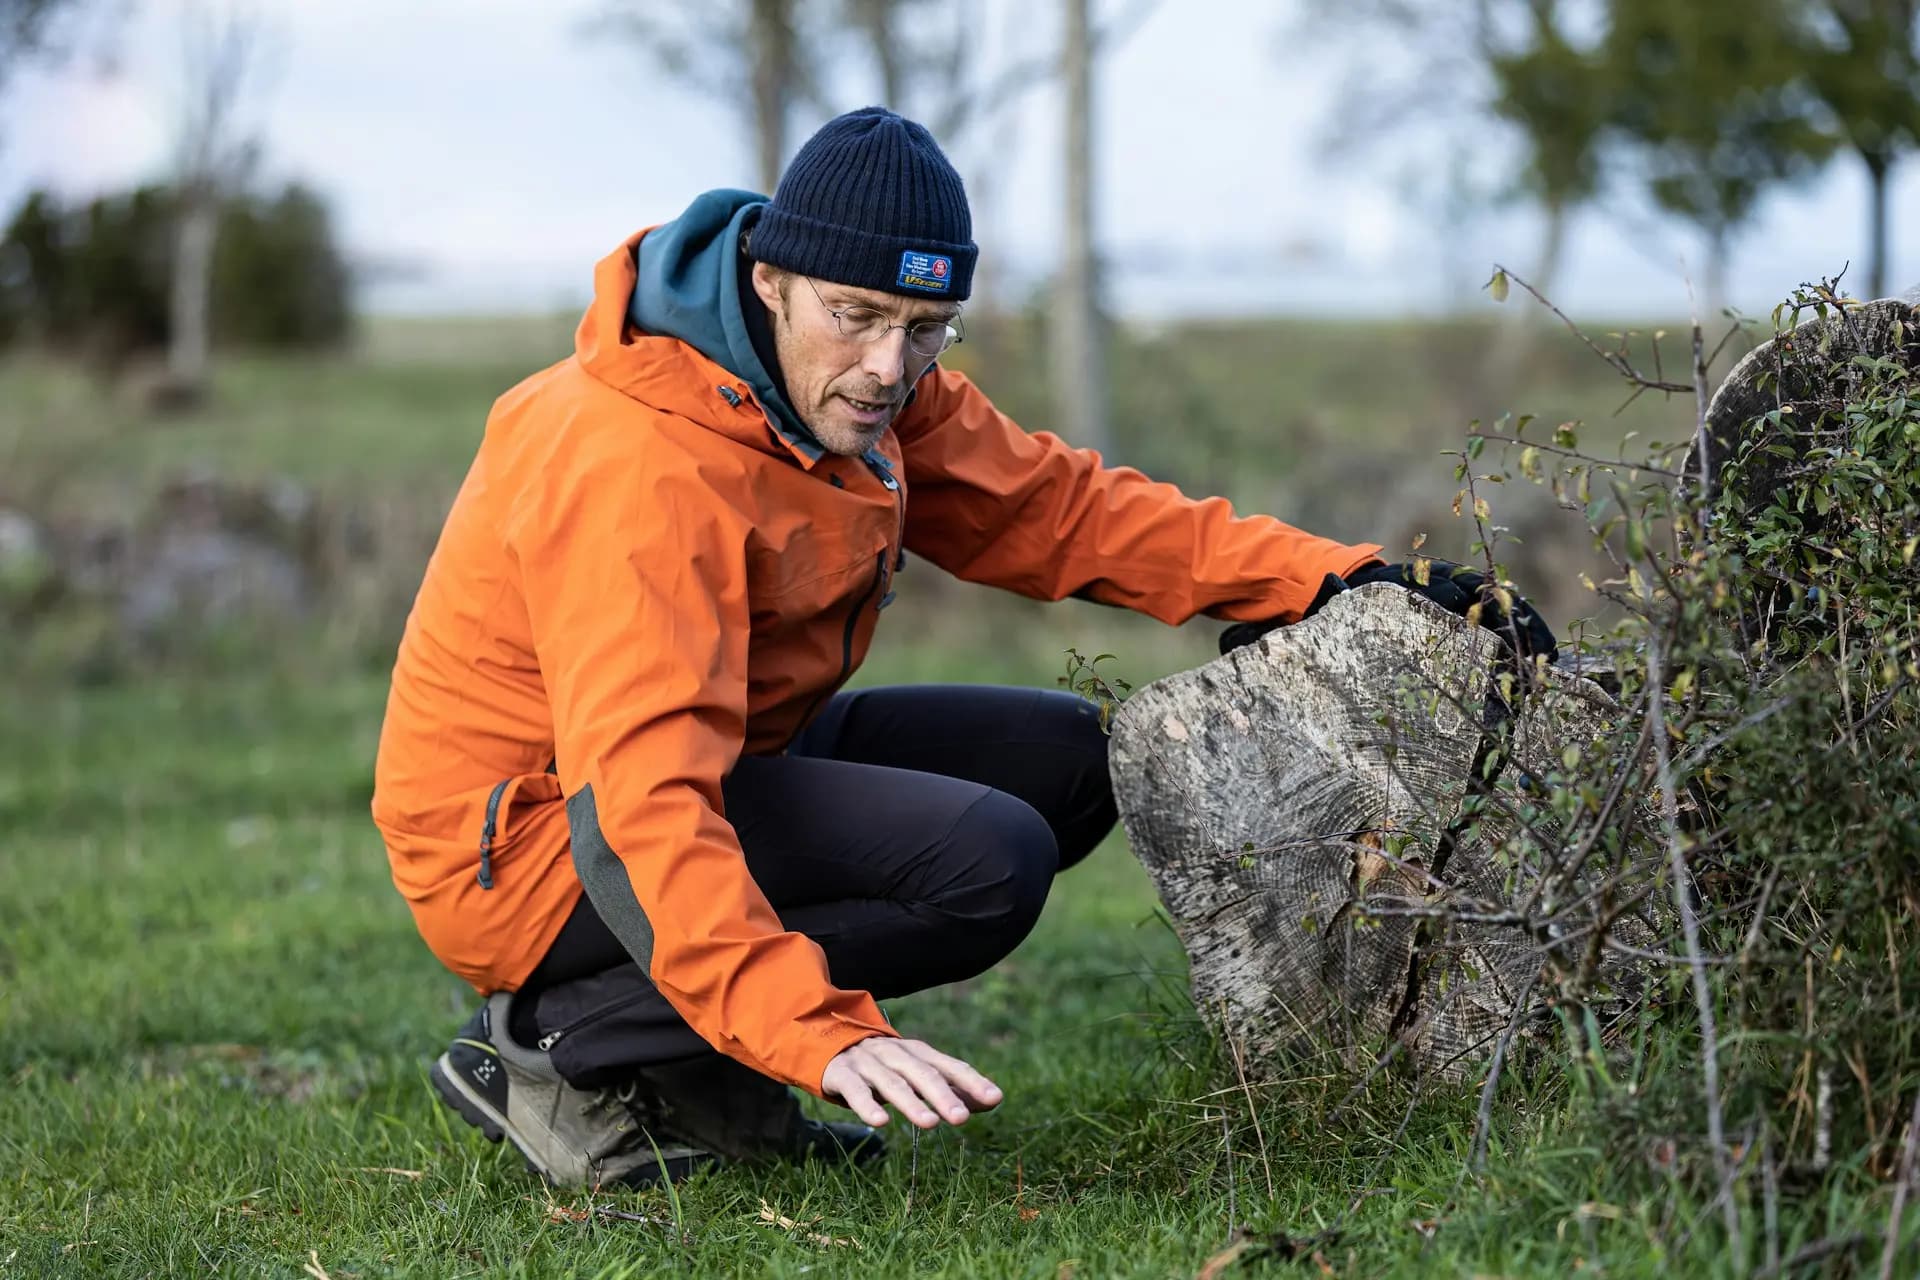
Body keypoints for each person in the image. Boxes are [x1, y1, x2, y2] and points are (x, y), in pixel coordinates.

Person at [371, 106, 1556, 1190]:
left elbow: (1059, 509)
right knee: (986, 861)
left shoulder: (842, 387)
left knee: (1072, 760)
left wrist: (1336, 578)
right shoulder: (638, 461)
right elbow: (640, 804)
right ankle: (559, 1046)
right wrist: (815, 1028)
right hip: (530, 839)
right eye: (859, 318)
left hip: (720, 750)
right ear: (772, 279)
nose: (891, 366)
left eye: (927, 328)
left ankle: (685, 1071)